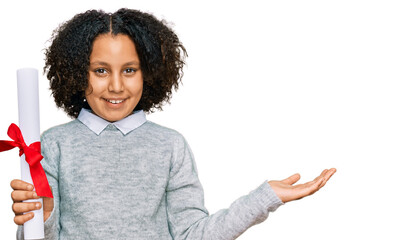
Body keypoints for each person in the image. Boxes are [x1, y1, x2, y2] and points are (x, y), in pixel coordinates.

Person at [10, 8, 336, 239]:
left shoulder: (169, 146)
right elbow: (36, 238)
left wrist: (262, 199)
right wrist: (43, 214)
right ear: (76, 73)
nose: (116, 87)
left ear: (149, 73)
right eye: (100, 70)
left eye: (129, 70)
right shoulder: (52, 144)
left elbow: (192, 234)